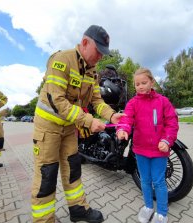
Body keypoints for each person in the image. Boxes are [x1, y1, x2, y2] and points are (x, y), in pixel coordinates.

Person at [31, 25, 124, 223]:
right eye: (98, 51)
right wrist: (89, 121)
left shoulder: (92, 72)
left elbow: (96, 101)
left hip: (69, 128)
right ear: (84, 43)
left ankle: (78, 209)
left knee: (73, 168)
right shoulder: (62, 60)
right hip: (48, 128)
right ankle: (44, 220)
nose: (100, 57)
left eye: (102, 53)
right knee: (47, 175)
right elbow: (58, 102)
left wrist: (112, 116)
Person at [116, 68, 178, 223]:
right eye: (137, 84)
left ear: (152, 82)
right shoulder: (133, 103)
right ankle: (148, 207)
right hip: (141, 150)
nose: (140, 86)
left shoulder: (163, 101)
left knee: (158, 181)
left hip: (159, 150)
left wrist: (166, 140)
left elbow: (172, 122)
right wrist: (122, 129)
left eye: (144, 83)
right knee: (144, 180)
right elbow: (126, 118)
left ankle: (162, 213)